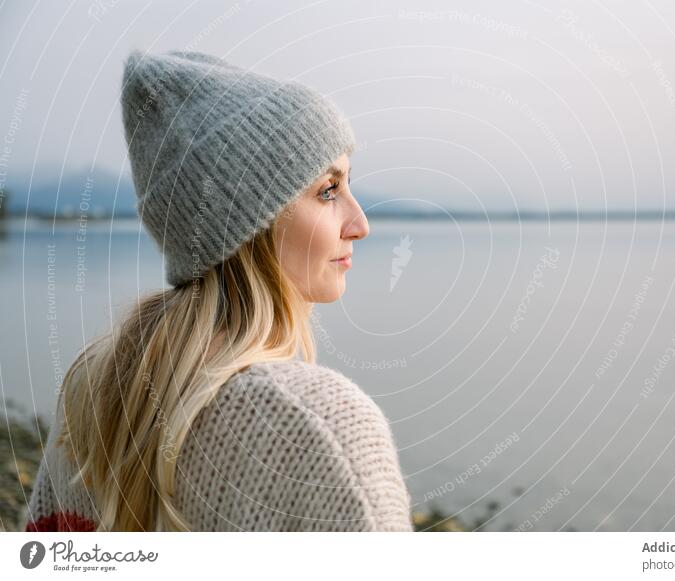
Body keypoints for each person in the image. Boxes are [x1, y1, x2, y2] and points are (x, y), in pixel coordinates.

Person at [24, 49, 413, 532]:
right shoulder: (324, 426)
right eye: (327, 190)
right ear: (247, 224)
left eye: (348, 185)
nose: (361, 224)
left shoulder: (95, 392)